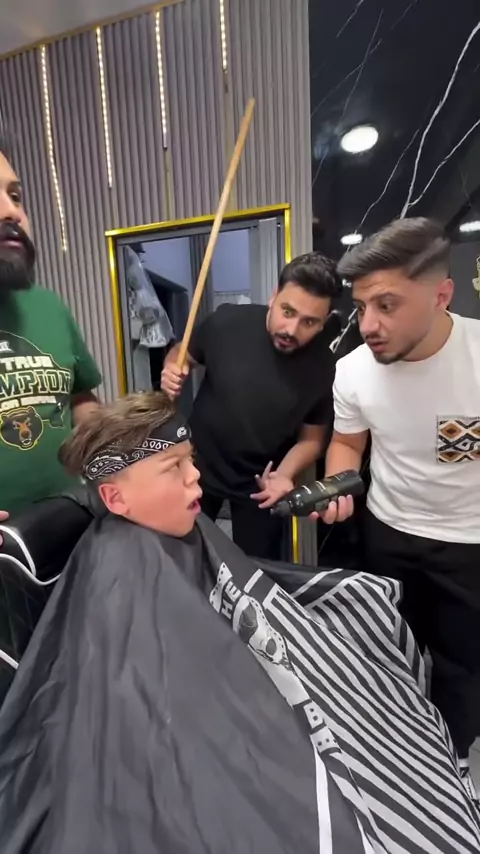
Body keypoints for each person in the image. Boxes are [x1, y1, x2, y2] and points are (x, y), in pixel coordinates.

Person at [1, 391, 479, 853]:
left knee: (366, 607)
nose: (196, 477)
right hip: (228, 737)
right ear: (115, 497)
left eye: (190, 459)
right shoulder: (119, 578)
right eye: (173, 467)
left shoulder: (179, 527)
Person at [314, 217, 480, 788]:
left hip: (469, 542)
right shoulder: (352, 371)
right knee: (392, 648)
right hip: (389, 532)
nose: (369, 325)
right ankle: (401, 744)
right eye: (362, 307)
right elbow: (346, 444)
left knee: (462, 664)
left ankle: (452, 759)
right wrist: (337, 482)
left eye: (387, 305)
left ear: (441, 295)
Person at [161, 253, 342, 559]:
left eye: (309, 322)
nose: (291, 329)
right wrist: (171, 368)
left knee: (257, 570)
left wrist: (285, 475)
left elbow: (311, 440)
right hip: (197, 466)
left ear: (323, 322)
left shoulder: (324, 366)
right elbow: (182, 353)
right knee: (184, 557)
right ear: (274, 296)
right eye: (287, 311)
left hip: (261, 483)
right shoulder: (227, 322)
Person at [0, 136, 102, 517]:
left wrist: (110, 443)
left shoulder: (50, 306)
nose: (12, 212)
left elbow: (80, 398)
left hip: (69, 522)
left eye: (15, 195)